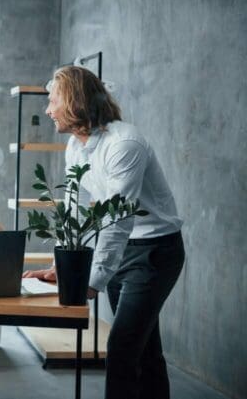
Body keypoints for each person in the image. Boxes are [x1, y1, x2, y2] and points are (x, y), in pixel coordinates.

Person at [31, 65, 184, 399]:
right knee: (144, 348)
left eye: (52, 100)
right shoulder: (75, 146)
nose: (47, 110)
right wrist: (63, 264)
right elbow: (74, 210)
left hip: (154, 252)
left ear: (73, 100)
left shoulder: (124, 143)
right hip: (121, 250)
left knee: (123, 347)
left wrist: (90, 281)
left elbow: (117, 219)